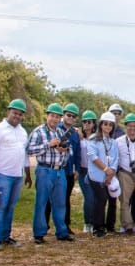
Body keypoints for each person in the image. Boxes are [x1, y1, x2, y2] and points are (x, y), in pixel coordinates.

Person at [0, 98, 31, 250]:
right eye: (14, 113)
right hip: (3, 174)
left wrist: (28, 173)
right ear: (8, 112)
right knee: (1, 206)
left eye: (20, 114)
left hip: (17, 174)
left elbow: (25, 154)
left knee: (11, 206)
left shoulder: (22, 132)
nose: (17, 116)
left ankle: (6, 236)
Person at [28, 102, 73, 244]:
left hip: (60, 171)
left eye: (57, 117)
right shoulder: (39, 131)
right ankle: (39, 233)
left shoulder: (61, 132)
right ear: (47, 116)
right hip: (45, 169)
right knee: (42, 202)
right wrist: (49, 145)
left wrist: (64, 149)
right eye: (52, 116)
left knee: (60, 203)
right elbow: (29, 150)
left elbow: (70, 151)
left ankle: (61, 231)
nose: (55, 119)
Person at [45, 102, 80, 234]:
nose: (70, 118)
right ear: (63, 115)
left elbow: (76, 152)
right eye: (68, 115)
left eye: (73, 116)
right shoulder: (55, 129)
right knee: (48, 199)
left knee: (65, 200)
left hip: (68, 170)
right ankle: (45, 224)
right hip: (55, 169)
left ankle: (65, 225)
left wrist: (77, 169)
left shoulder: (75, 134)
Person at [87, 111, 120, 237]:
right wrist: (106, 170)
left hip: (109, 176)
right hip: (96, 175)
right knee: (101, 199)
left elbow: (116, 158)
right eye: (105, 124)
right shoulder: (93, 139)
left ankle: (105, 226)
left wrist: (111, 173)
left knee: (107, 200)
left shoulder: (113, 142)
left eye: (110, 125)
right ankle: (97, 228)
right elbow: (92, 156)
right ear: (101, 125)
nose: (107, 127)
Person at [104, 102, 126, 233]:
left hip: (115, 170)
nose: (116, 116)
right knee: (101, 199)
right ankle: (98, 224)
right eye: (114, 113)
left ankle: (110, 226)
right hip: (101, 169)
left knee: (113, 198)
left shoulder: (121, 133)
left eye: (118, 114)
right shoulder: (102, 131)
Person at [77, 111, 98, 233]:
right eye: (85, 121)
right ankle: (87, 222)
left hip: (95, 171)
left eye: (89, 122)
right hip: (83, 171)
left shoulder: (97, 138)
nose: (87, 124)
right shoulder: (78, 137)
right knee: (89, 197)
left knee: (95, 198)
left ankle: (95, 222)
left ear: (94, 124)